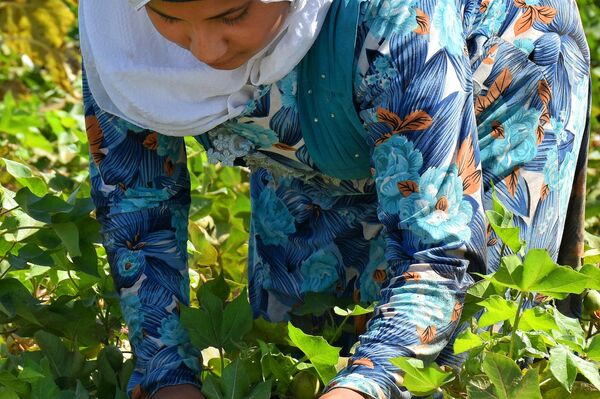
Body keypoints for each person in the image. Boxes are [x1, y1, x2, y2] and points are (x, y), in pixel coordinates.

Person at [78, 0, 591, 398]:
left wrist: (362, 386)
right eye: (169, 18)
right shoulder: (121, 31)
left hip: (491, 86)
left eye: (231, 14)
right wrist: (167, 375)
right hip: (315, 134)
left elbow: (438, 254)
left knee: (468, 363)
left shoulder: (394, 17)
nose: (206, 50)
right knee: (299, 354)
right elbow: (137, 207)